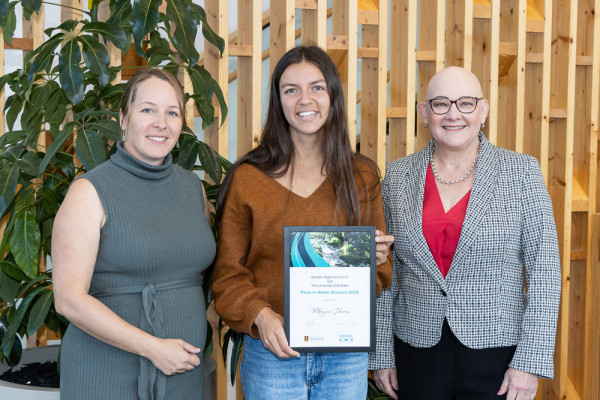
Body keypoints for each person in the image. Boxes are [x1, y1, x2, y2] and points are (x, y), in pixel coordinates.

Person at [211, 45, 393, 399]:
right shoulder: (248, 179)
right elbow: (228, 277)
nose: (304, 99)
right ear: (278, 101)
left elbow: (379, 278)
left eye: (317, 87)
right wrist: (261, 315)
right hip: (271, 355)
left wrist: (370, 263)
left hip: (345, 356)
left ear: (333, 96)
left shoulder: (362, 176)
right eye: (290, 89)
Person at [370, 66, 561, 400]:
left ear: (483, 110)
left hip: (497, 354)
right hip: (416, 351)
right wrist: (382, 353)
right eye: (441, 103)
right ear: (424, 113)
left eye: (466, 103)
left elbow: (545, 272)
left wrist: (530, 361)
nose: (453, 114)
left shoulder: (521, 172)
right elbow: (388, 271)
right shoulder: (398, 177)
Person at [52, 69, 216, 400]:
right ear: (123, 119)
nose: (161, 122)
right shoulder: (88, 192)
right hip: (108, 374)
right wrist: (153, 348)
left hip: (183, 372)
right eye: (148, 110)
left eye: (172, 112)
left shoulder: (191, 188)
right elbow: (68, 299)